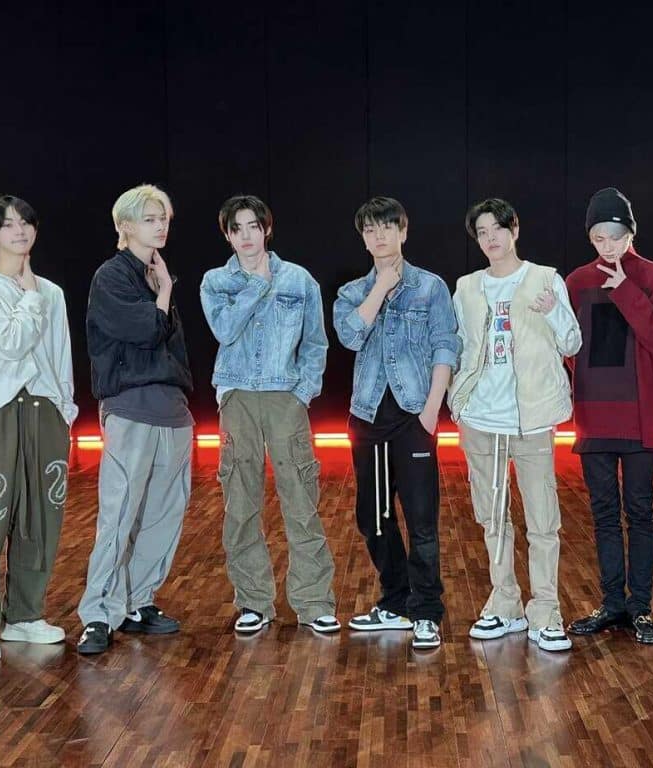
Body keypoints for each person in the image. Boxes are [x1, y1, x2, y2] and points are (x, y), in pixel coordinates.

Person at [201, 194, 338, 635]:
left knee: (301, 501)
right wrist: (256, 286)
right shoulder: (216, 282)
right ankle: (253, 602)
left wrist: (303, 393)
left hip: (285, 397)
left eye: (253, 227)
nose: (246, 236)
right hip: (238, 396)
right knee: (240, 504)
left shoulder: (299, 279)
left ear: (266, 229)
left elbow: (315, 342)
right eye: (236, 228)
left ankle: (314, 602)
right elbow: (224, 330)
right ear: (227, 235)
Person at [449, 198, 582, 652]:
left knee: (542, 519)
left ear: (514, 230)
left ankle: (546, 611)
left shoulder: (545, 279)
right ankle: (504, 604)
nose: (491, 239)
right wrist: (457, 402)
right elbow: (460, 346)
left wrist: (553, 310)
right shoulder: (467, 287)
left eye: (497, 229)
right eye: (482, 232)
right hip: (481, 419)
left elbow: (572, 341)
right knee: (492, 518)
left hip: (532, 419)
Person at [333, 196, 460, 649]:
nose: (379, 235)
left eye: (387, 226)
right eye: (370, 229)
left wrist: (431, 411)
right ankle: (395, 601)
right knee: (373, 518)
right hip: (367, 416)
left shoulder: (430, 287)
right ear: (363, 239)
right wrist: (380, 288)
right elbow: (350, 336)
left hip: (413, 417)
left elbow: (446, 345)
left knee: (422, 518)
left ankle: (426, 611)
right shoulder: (353, 292)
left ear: (403, 231)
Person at [0, 195, 77, 662]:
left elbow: (59, 355)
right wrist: (28, 297)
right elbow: (11, 344)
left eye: (25, 222)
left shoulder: (53, 293)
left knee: (41, 518)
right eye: (7, 225)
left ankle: (25, 615)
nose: (19, 230)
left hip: (45, 411)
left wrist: (65, 409)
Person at [77, 184, 194, 655]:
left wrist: (162, 287)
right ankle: (98, 614)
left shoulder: (153, 274)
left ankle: (137, 602)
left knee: (163, 515)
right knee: (120, 514)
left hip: (172, 411)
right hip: (131, 408)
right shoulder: (111, 277)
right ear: (125, 225)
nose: (160, 225)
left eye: (163, 217)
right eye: (149, 218)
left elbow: (172, 349)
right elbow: (146, 331)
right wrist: (164, 291)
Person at [565, 187, 653, 645]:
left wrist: (626, 290)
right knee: (604, 514)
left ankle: (640, 609)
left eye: (614, 236)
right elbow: (570, 348)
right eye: (598, 237)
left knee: (640, 512)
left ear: (631, 233)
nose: (607, 246)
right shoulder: (577, 281)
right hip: (593, 416)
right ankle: (612, 604)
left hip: (639, 418)